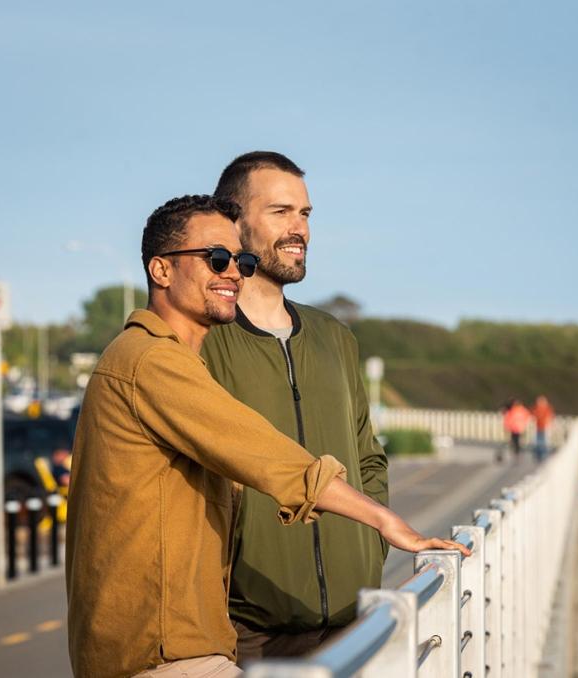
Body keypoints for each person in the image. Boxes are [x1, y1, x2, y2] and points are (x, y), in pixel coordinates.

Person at [65, 194, 469, 678]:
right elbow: (265, 454)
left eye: (243, 260)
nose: (234, 272)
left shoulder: (166, 359)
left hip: (182, 643)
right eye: (215, 258)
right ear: (161, 270)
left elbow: (364, 455)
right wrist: (386, 523)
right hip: (162, 653)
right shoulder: (151, 361)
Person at [202, 152, 389, 664]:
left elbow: (368, 458)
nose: (298, 229)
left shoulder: (335, 338)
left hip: (355, 623)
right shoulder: (205, 339)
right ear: (234, 222)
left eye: (305, 214)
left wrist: (369, 553)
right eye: (281, 212)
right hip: (252, 631)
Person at [532, 394, 555, 461]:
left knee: (544, 441)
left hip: (545, 427)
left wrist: (549, 424)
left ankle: (543, 455)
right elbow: (534, 414)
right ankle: (539, 455)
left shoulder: (547, 408)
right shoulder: (537, 408)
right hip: (538, 427)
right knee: (538, 441)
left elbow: (550, 417)